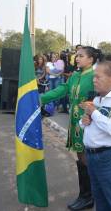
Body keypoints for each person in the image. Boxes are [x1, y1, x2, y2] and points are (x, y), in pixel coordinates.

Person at [41, 46, 96, 210]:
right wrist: (41, 98)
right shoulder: (75, 75)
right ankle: (85, 195)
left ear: (91, 59)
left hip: (89, 121)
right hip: (75, 121)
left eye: (81, 56)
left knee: (86, 156)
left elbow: (101, 98)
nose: (76, 58)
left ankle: (89, 196)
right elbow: (63, 89)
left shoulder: (95, 76)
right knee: (81, 156)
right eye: (76, 56)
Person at [79, 61, 111, 211]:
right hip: (92, 155)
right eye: (93, 77)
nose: (94, 80)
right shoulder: (97, 98)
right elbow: (88, 123)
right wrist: (84, 121)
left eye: (98, 77)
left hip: (109, 158)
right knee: (100, 200)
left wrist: (94, 113)